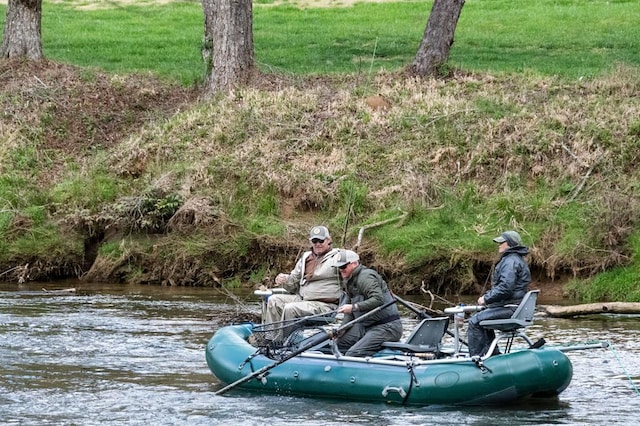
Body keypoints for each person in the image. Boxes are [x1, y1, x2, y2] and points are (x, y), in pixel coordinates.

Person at [467, 230, 531, 357]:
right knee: (481, 317)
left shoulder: (510, 261)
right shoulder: (516, 259)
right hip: (516, 308)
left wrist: (486, 299)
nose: (499, 245)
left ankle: (476, 358)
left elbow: (505, 288)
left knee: (474, 321)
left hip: (511, 309)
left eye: (502, 242)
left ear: (509, 244)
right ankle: (492, 354)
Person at [264, 225, 343, 324]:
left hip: (326, 305)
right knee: (273, 300)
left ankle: (288, 339)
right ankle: (271, 338)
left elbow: (351, 274)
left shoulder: (338, 257)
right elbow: (293, 284)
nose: (318, 244)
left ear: (328, 240)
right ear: (311, 242)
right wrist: (284, 280)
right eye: (315, 241)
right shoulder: (305, 258)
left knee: (290, 308)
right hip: (303, 299)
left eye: (321, 241)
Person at [334, 250, 403, 357]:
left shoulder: (365, 277)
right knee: (338, 343)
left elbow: (377, 299)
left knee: (353, 353)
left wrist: (354, 307)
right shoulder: (349, 281)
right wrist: (343, 329)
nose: (341, 270)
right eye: (339, 267)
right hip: (366, 326)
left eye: (343, 266)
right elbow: (349, 314)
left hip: (387, 327)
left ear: (354, 263)